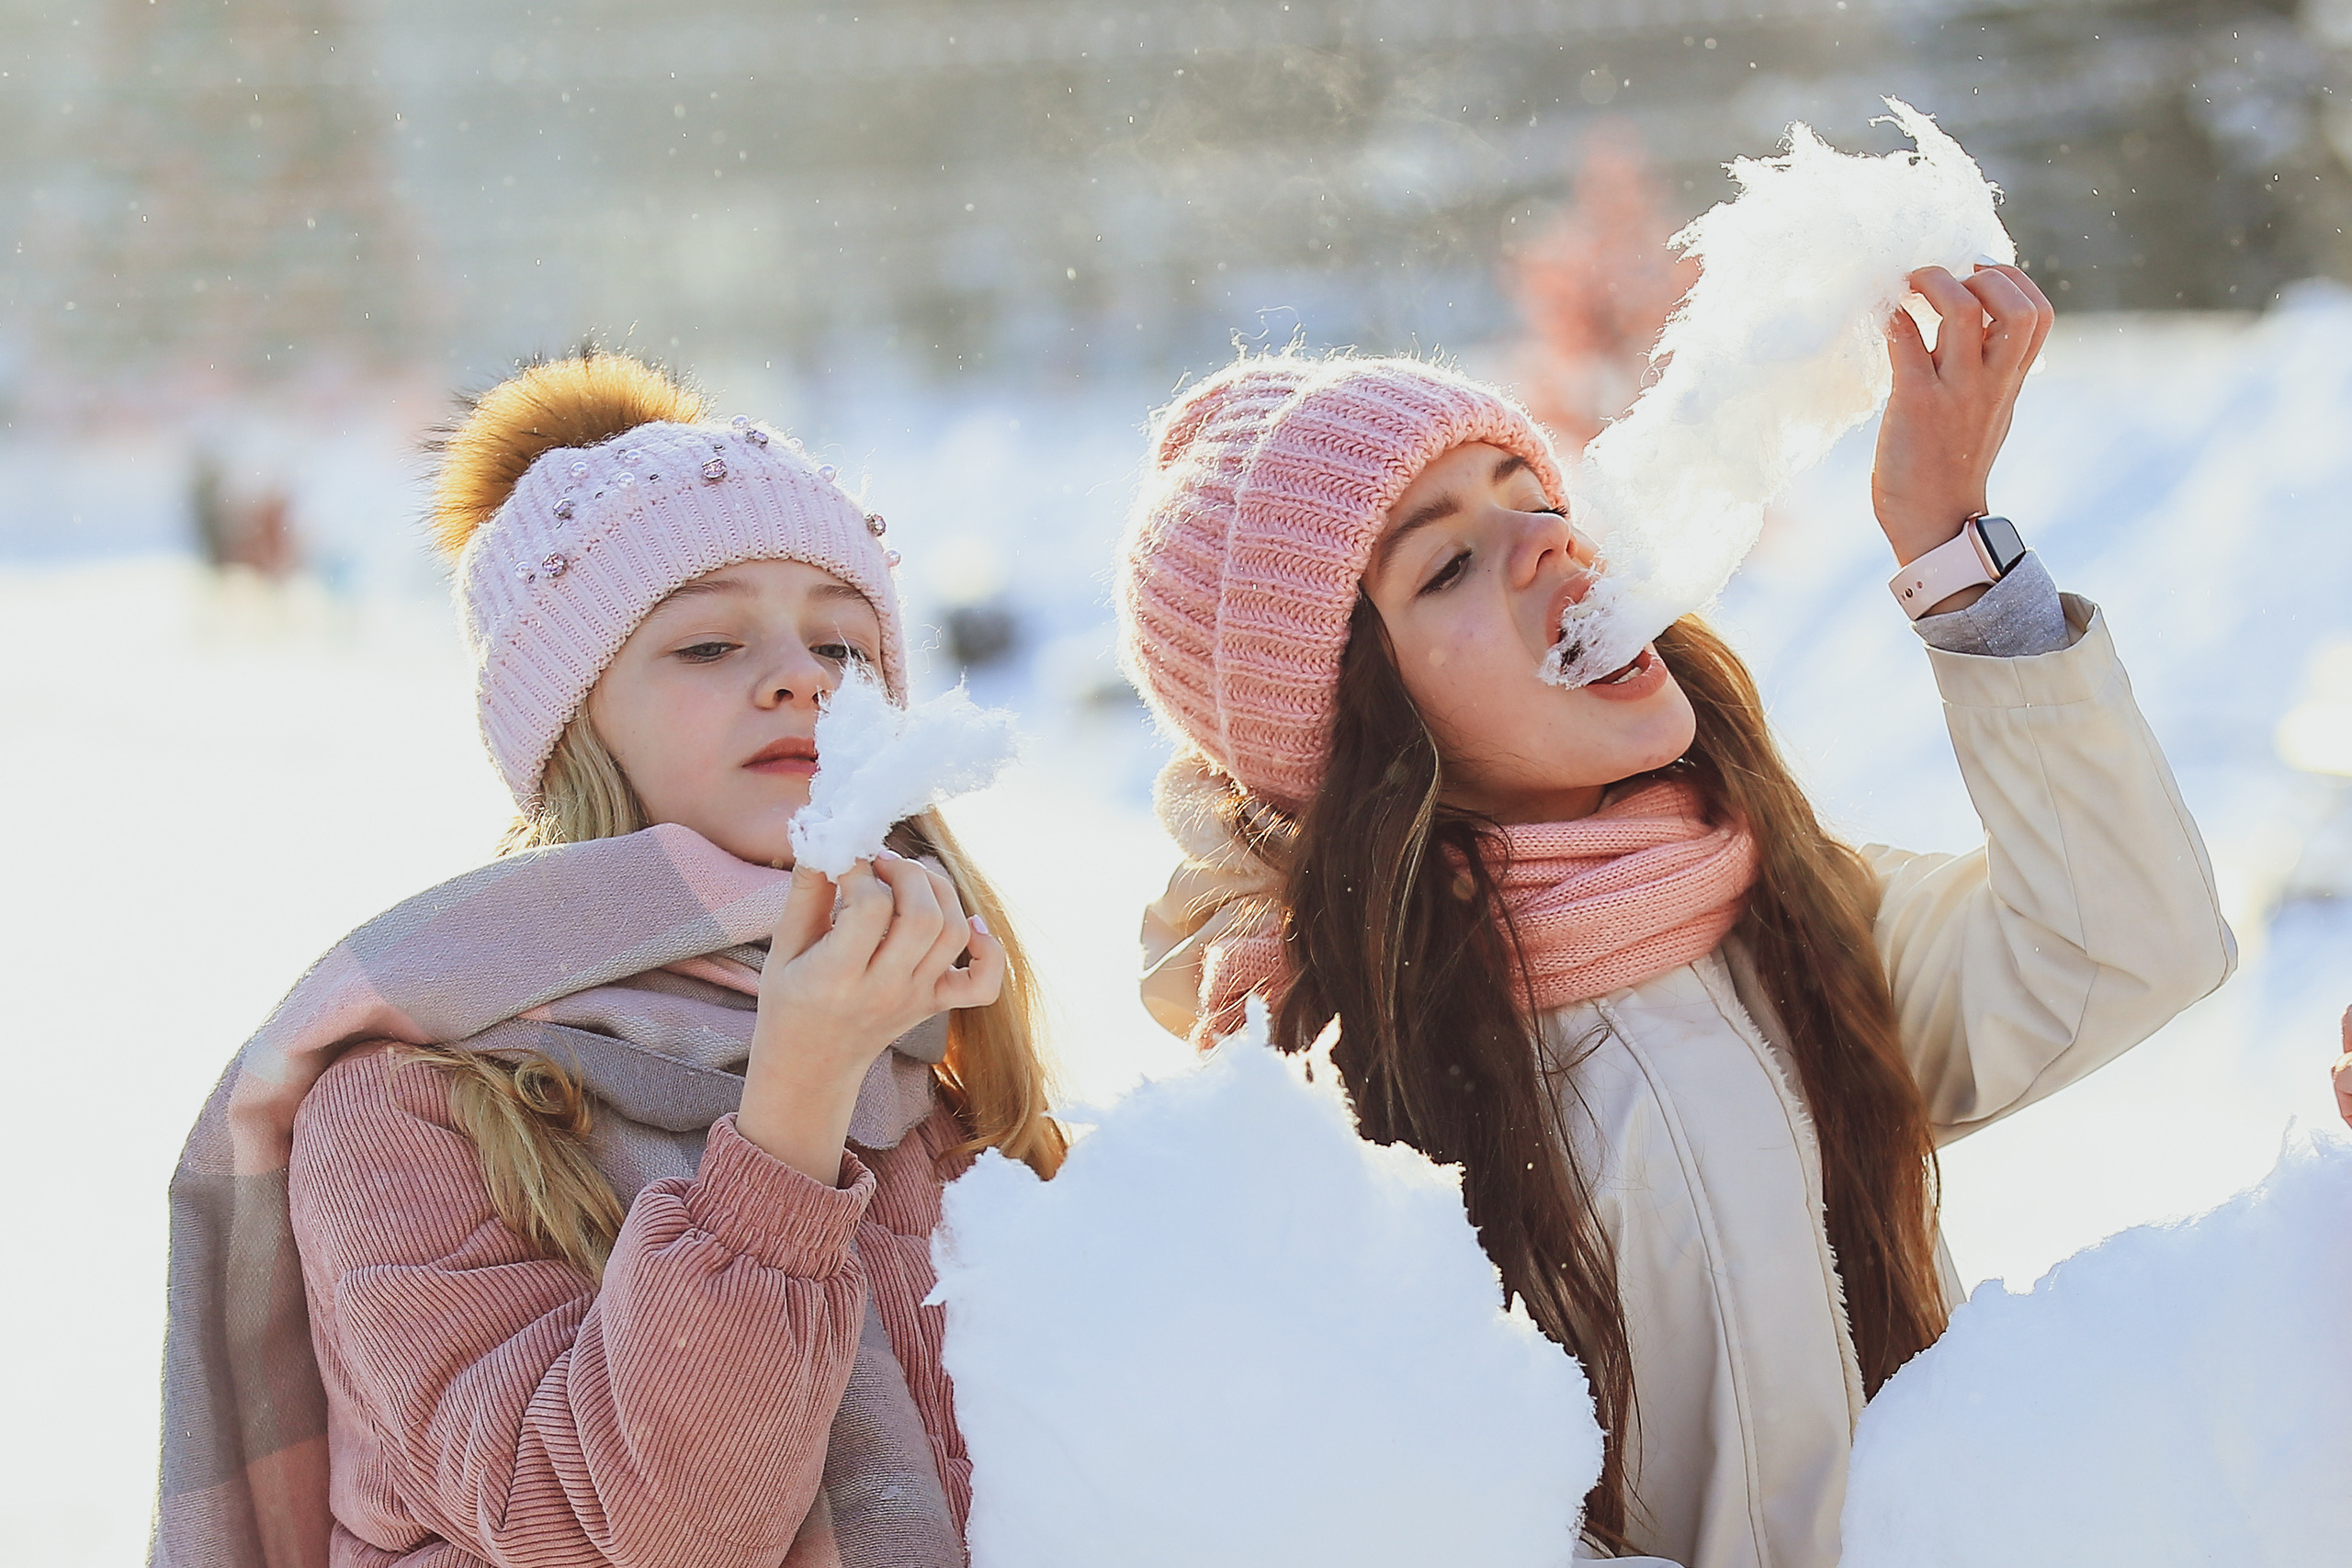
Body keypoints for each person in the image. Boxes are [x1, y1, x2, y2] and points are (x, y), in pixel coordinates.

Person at [1116, 266, 2234, 1567]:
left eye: (1536, 498)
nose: (1551, 542)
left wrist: (1952, 549)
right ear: (1360, 734)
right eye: (1451, 563)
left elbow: (2123, 948)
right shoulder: (1318, 1106)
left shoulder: (1783, 915)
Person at [153, 352, 1060, 1568]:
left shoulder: (932, 1083)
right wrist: (791, 1114)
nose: (799, 675)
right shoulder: (405, 1108)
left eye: (843, 648)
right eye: (708, 646)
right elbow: (631, 1532)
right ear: (577, 718)